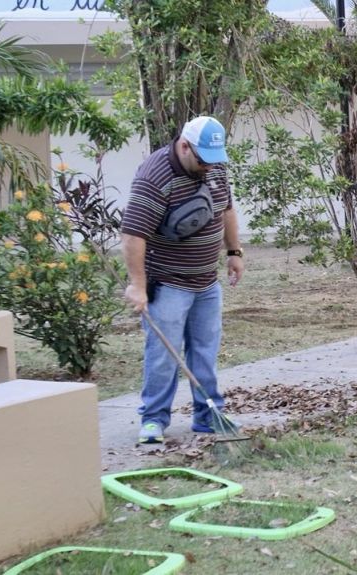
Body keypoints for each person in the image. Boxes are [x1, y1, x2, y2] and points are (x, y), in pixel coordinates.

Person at [120, 116, 245, 444]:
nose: (209, 167)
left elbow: (226, 209)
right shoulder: (155, 175)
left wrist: (234, 251)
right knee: (164, 354)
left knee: (205, 350)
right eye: (202, 160)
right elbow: (134, 234)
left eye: (213, 160)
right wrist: (136, 284)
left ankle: (208, 416)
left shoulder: (214, 165)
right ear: (184, 146)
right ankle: (153, 420)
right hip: (167, 283)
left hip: (206, 282)